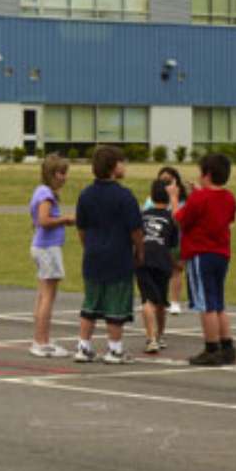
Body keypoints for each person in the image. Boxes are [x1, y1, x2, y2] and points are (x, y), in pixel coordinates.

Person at [73, 145, 144, 364]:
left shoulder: (85, 194)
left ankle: (83, 346)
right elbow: (136, 230)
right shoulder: (125, 196)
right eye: (122, 162)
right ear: (114, 168)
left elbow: (81, 228)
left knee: (91, 303)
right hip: (118, 256)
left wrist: (89, 247)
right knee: (116, 304)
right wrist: (140, 250)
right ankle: (114, 349)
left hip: (93, 255)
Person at [176, 151, 236, 367]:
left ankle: (211, 347)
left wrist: (176, 200)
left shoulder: (198, 198)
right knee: (218, 302)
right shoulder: (229, 197)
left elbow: (181, 219)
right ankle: (227, 345)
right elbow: (223, 215)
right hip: (221, 253)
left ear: (207, 173)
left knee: (205, 304)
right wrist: (198, 194)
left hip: (200, 253)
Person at [28, 152, 72, 358]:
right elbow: (43, 221)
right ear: (53, 173)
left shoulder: (40, 191)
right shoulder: (46, 194)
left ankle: (41, 337)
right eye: (62, 173)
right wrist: (65, 219)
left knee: (43, 294)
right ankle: (41, 341)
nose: (65, 177)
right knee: (48, 296)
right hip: (48, 247)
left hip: (43, 246)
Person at [137, 175, 180, 355]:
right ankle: (160, 335)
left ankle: (151, 338)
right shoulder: (171, 218)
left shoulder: (143, 215)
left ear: (151, 196)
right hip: (162, 260)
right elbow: (172, 245)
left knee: (148, 300)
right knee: (161, 301)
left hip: (143, 258)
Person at [149, 165, 189, 316]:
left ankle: (175, 302)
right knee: (156, 271)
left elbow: (179, 219)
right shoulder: (152, 200)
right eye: (162, 181)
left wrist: (173, 199)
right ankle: (155, 299)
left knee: (176, 270)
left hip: (176, 239)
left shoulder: (183, 200)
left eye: (169, 181)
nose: (166, 184)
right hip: (157, 239)